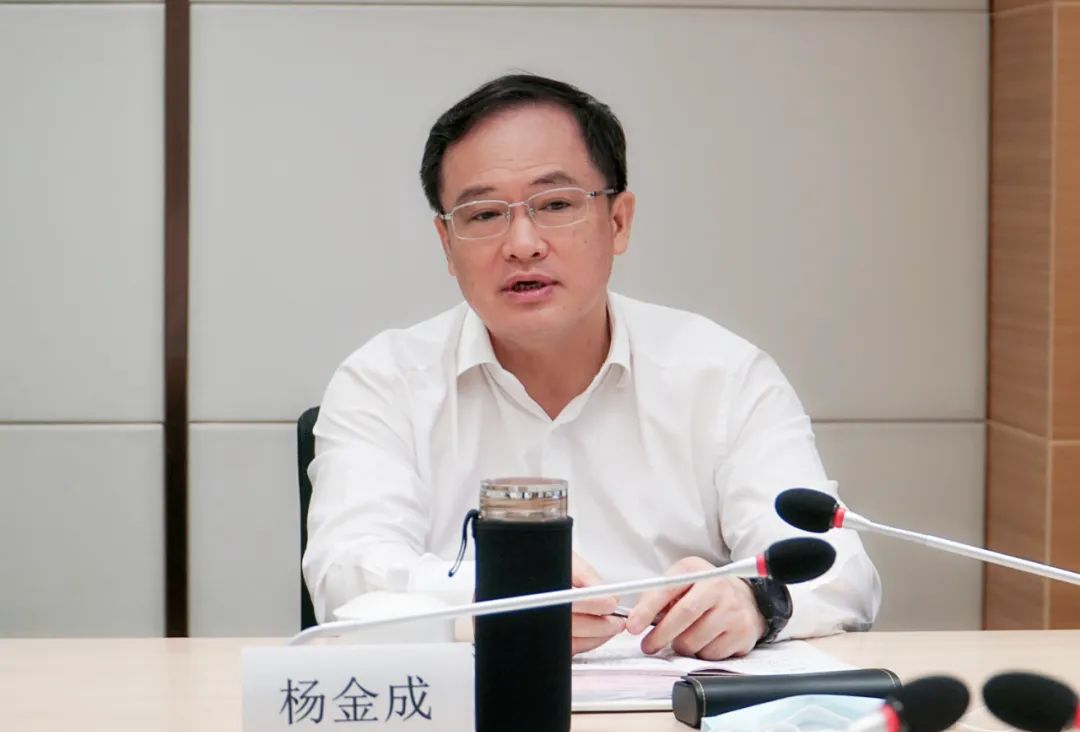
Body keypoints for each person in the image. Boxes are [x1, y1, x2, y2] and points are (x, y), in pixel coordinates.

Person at [303, 73, 881, 660]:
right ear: (447, 244)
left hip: (687, 710)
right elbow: (346, 575)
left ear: (618, 221)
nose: (522, 243)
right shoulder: (383, 383)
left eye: (556, 205)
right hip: (475, 706)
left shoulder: (724, 377)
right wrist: (503, 596)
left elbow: (838, 571)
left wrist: (756, 601)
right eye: (483, 215)